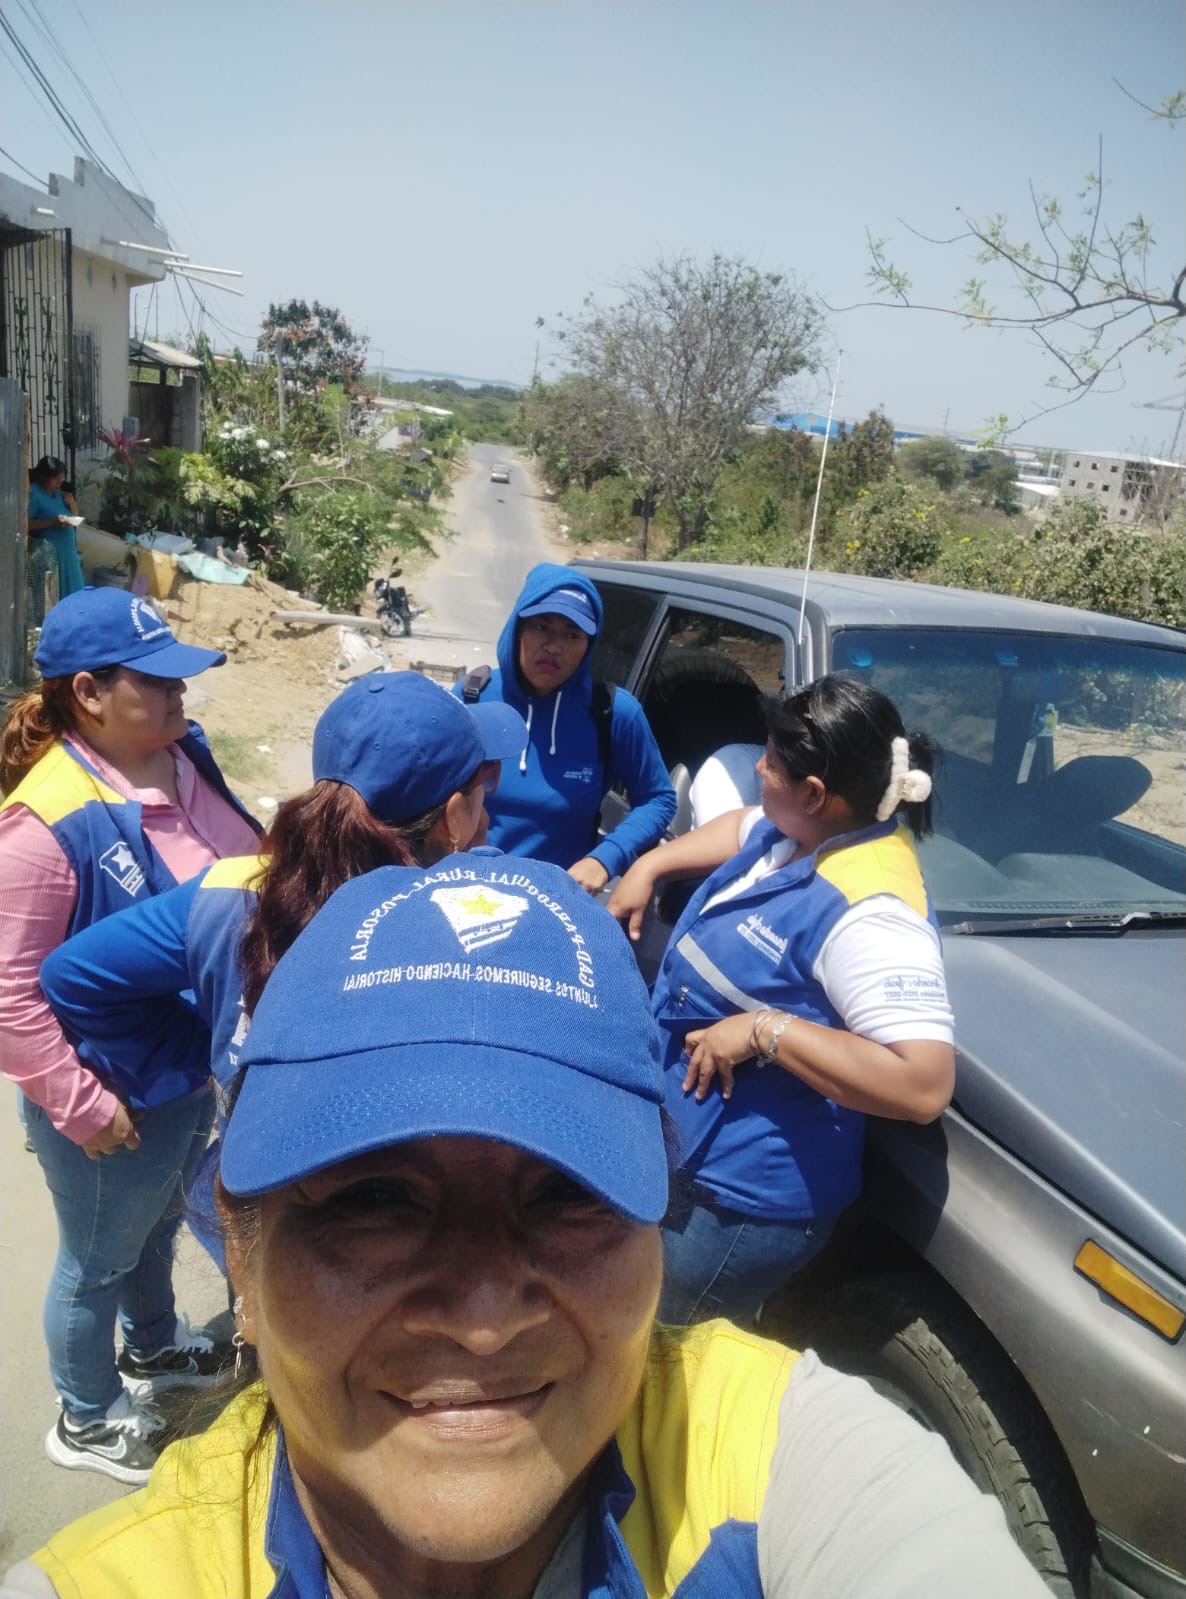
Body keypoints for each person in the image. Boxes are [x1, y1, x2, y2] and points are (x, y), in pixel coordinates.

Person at [2, 853, 1048, 1599]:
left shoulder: (775, 1461)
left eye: (568, 1194)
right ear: (241, 1250)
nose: (484, 1317)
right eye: (373, 1199)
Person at [0, 587, 261, 1485]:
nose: (179, 693)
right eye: (155, 681)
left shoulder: (180, 756)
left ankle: (151, 1346)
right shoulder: (44, 822)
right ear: (89, 693)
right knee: (95, 1262)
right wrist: (78, 1103)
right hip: (108, 1091)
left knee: (154, 1230)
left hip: (179, 1069)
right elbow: (9, 995)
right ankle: (85, 1414)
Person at [41, 670, 526, 1145]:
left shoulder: (230, 888)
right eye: (482, 789)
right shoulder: (466, 934)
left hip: (246, 1178)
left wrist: (217, 1055)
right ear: (455, 816)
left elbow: (73, 977)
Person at [608, 675, 955, 1325]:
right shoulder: (802, 828)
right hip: (696, 1154)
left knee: (666, 1344)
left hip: (740, 1205)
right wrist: (650, 866)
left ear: (815, 793)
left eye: (769, 761)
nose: (758, 769)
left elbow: (924, 1083)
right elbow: (739, 828)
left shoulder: (873, 911)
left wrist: (764, 1030)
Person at [455, 563, 675, 892]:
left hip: (556, 903)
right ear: (517, 628)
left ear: (589, 645)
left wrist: (606, 858)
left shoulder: (613, 712)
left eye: (573, 635)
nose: (554, 646)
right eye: (541, 626)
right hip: (465, 892)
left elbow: (658, 799)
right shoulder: (472, 698)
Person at [27, 455, 85, 615]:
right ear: (44, 477)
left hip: (68, 556)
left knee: (75, 600)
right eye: (56, 479)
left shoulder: (59, 494)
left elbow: (75, 520)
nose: (60, 482)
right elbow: (24, 525)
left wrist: (72, 504)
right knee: (55, 601)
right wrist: (52, 522)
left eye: (62, 478)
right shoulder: (33, 494)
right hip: (50, 558)